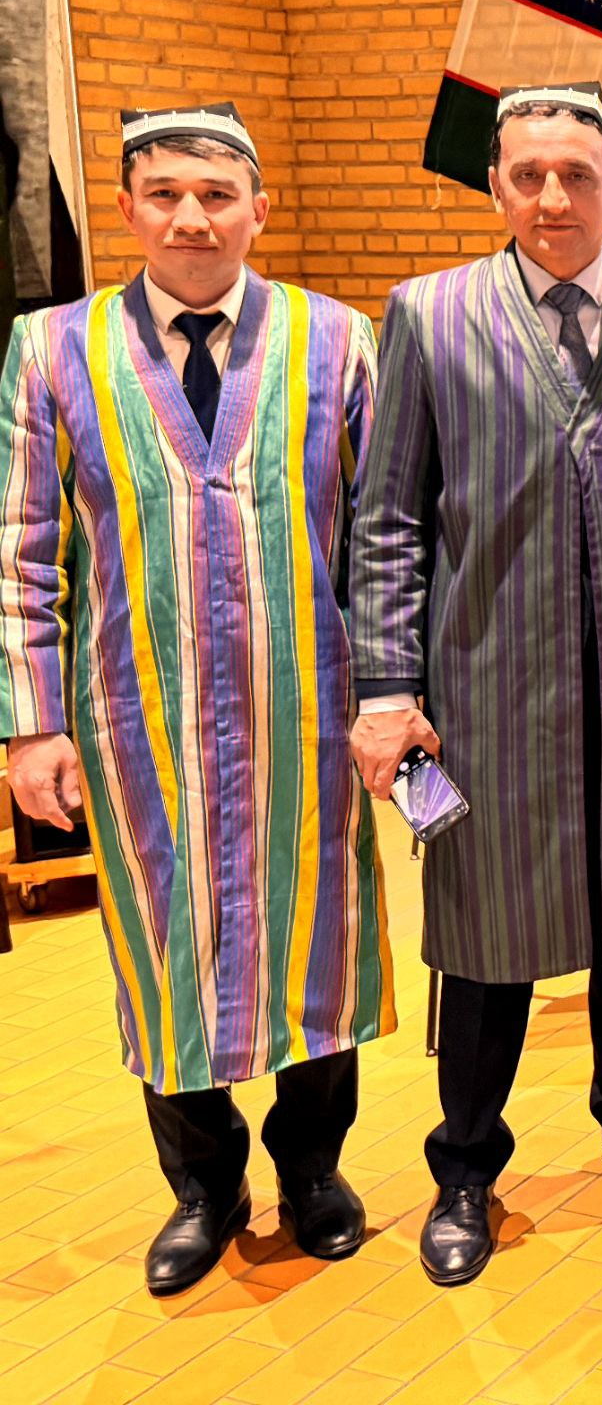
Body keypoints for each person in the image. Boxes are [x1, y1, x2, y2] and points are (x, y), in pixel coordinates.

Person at [0, 104, 392, 1294]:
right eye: (165, 193)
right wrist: (32, 724)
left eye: (217, 195)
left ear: (258, 210)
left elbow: (384, 539)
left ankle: (314, 1170)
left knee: (320, 939)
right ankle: (205, 1186)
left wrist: (392, 693)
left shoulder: (337, 343)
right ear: (126, 207)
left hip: (308, 711)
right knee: (164, 949)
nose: (191, 217)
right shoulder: (51, 349)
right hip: (139, 714)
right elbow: (20, 547)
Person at [349, 82, 602, 1286]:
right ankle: (466, 1164)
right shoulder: (428, 316)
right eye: (528, 175)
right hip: (487, 689)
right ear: (495, 185)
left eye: (577, 174)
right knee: (486, 937)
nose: (553, 197)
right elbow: (389, 519)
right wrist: (386, 686)